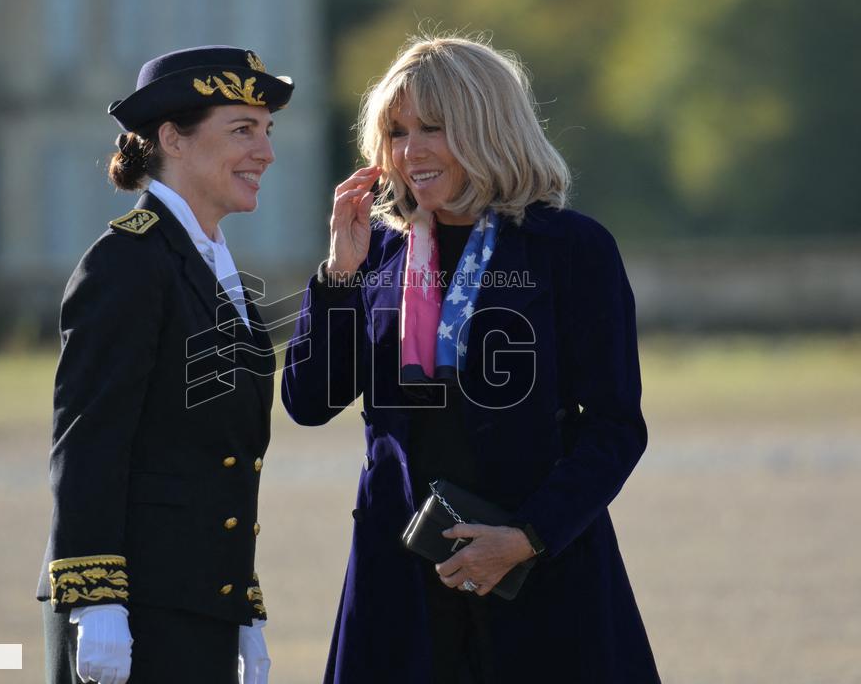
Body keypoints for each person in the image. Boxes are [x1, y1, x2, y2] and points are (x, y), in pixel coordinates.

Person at [281, 35, 659, 683]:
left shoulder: (571, 248)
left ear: (488, 126)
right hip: (399, 584)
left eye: (433, 127)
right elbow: (310, 402)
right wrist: (338, 277)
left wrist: (526, 537)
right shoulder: (377, 253)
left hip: (541, 575)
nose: (409, 151)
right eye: (396, 132)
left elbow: (615, 426)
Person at [35, 46, 293, 684]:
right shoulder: (125, 263)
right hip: (132, 606)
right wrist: (97, 598)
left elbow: (213, 460)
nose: (265, 152)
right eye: (242, 130)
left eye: (266, 132)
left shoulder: (212, 264)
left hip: (198, 600)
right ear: (173, 138)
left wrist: (243, 605)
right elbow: (90, 442)